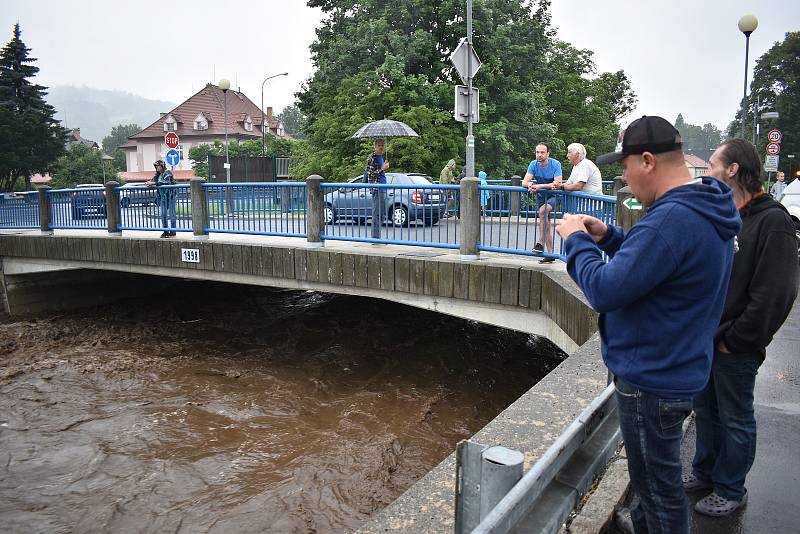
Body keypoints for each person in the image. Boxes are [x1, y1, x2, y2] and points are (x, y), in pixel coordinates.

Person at [556, 116, 741, 534]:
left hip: (652, 379)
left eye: (625, 166)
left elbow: (604, 290)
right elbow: (659, 265)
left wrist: (577, 241)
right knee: (654, 483)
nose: (623, 176)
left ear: (647, 161)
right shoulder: (703, 205)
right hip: (679, 365)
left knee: (659, 493)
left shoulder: (671, 219)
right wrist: (608, 237)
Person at [687, 139, 798, 517]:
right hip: (707, 340)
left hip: (734, 344)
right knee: (706, 412)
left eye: (713, 165)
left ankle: (731, 488)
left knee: (735, 416)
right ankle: (705, 472)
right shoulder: (725, 215)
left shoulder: (773, 222)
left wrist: (737, 340)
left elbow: (776, 294)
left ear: (732, 170)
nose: (708, 172)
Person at [522, 143, 563, 263]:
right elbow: (524, 181)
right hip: (541, 196)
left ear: (548, 154)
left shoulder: (555, 164)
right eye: (537, 152)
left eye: (542, 152)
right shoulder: (533, 164)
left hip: (555, 195)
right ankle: (550, 254)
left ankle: (540, 242)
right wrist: (529, 184)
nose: (539, 155)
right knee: (546, 223)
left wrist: (539, 186)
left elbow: (557, 184)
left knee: (543, 211)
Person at [365, 138, 389, 238]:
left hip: (382, 188)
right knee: (377, 214)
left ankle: (377, 236)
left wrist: (384, 168)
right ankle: (375, 238)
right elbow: (371, 174)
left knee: (382, 214)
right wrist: (382, 169)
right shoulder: (372, 158)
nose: (381, 147)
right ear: (374, 146)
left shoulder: (381, 157)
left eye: (382, 145)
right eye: (379, 145)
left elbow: (379, 172)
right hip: (377, 188)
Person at [146, 160, 176, 238]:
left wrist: (154, 183)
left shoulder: (168, 173)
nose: (156, 168)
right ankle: (165, 231)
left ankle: (173, 231)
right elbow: (152, 181)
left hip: (170, 197)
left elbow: (166, 182)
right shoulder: (157, 175)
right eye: (156, 166)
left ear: (162, 166)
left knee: (172, 214)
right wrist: (148, 183)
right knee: (163, 214)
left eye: (158, 166)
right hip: (163, 198)